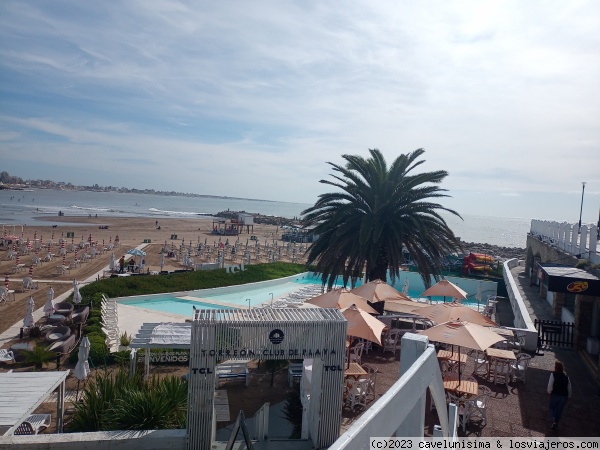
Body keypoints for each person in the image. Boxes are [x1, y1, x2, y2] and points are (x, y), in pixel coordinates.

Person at [547, 360, 572, 430]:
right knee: (559, 410)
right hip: (563, 396)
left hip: (555, 394)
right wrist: (569, 396)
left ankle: (554, 419)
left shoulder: (553, 375)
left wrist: (549, 392)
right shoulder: (566, 377)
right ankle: (556, 422)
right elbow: (569, 387)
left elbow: (550, 385)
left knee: (552, 407)